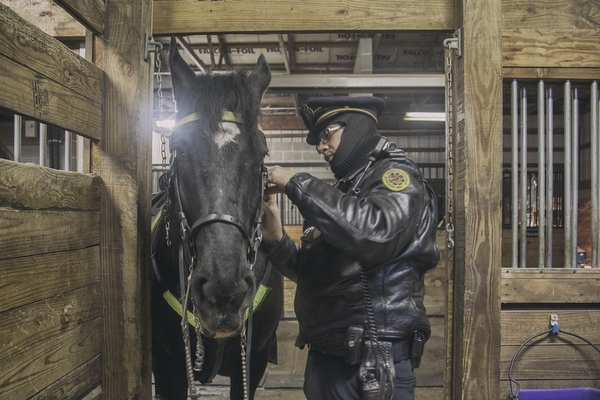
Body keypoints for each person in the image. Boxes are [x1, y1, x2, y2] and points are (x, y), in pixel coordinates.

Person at [261, 96, 440, 400]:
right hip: (329, 361)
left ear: (355, 127)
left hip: (372, 367)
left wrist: (295, 182)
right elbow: (311, 274)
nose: (320, 147)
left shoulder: (397, 177)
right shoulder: (343, 194)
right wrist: (277, 240)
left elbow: (374, 235)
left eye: (326, 135)